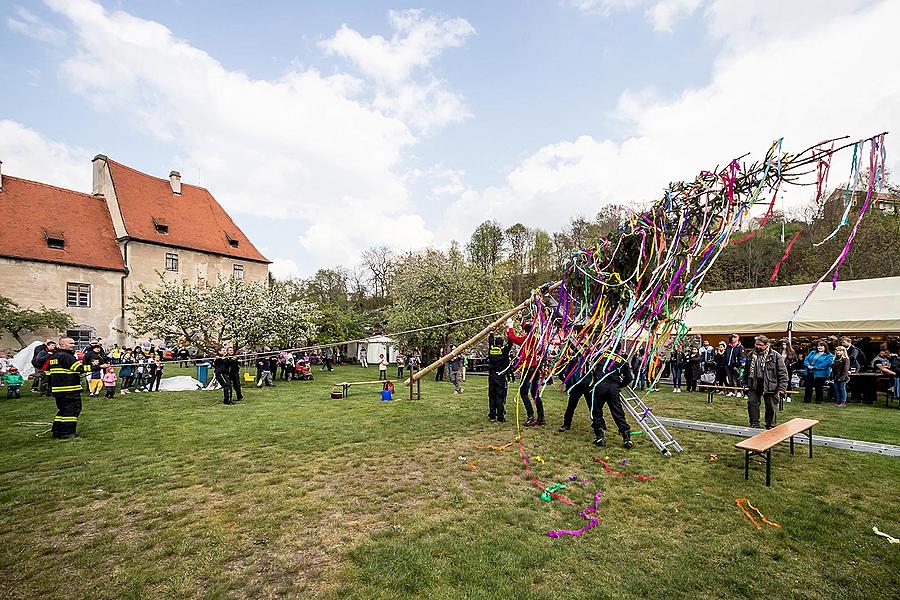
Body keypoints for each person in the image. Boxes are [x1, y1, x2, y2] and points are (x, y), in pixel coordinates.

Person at [45, 337, 101, 439]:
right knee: (71, 411)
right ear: (62, 345)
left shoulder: (54, 357)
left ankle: (57, 431)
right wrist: (98, 367)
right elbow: (80, 368)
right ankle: (68, 433)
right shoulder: (67, 356)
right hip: (69, 389)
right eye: (70, 343)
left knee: (62, 411)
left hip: (58, 389)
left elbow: (49, 373)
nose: (73, 345)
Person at [591, 347, 634, 449]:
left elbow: (592, 368)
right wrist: (620, 385)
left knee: (596, 411)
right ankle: (627, 438)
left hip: (600, 386)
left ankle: (600, 437)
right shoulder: (622, 361)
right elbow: (629, 378)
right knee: (618, 412)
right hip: (613, 388)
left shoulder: (600, 355)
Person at [743, 336, 788, 429]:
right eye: (756, 344)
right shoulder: (751, 355)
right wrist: (744, 383)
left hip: (771, 384)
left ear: (767, 345)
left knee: (771, 406)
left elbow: (783, 373)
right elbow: (746, 371)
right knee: (752, 403)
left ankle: (770, 425)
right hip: (754, 383)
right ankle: (754, 423)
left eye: (760, 345)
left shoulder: (775, 356)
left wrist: (782, 387)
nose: (757, 346)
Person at [507, 317, 544, 426]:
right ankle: (541, 418)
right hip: (535, 368)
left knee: (523, 392)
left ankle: (531, 416)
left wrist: (510, 326)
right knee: (535, 393)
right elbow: (527, 328)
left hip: (528, 368)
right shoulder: (535, 339)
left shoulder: (525, 339)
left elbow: (512, 337)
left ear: (525, 331)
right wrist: (521, 321)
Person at [559, 346, 592, 432]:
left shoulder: (594, 354)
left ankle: (599, 425)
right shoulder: (580, 354)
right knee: (571, 405)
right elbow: (573, 344)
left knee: (592, 406)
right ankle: (566, 424)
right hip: (578, 383)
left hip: (589, 384)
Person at [486, 331, 512, 422]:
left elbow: (490, 343)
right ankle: (500, 416)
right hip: (500, 376)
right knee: (500, 396)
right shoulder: (504, 351)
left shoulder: (491, 350)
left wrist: (491, 333)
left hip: (492, 376)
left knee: (492, 396)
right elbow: (510, 343)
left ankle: (492, 415)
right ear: (502, 344)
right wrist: (509, 332)